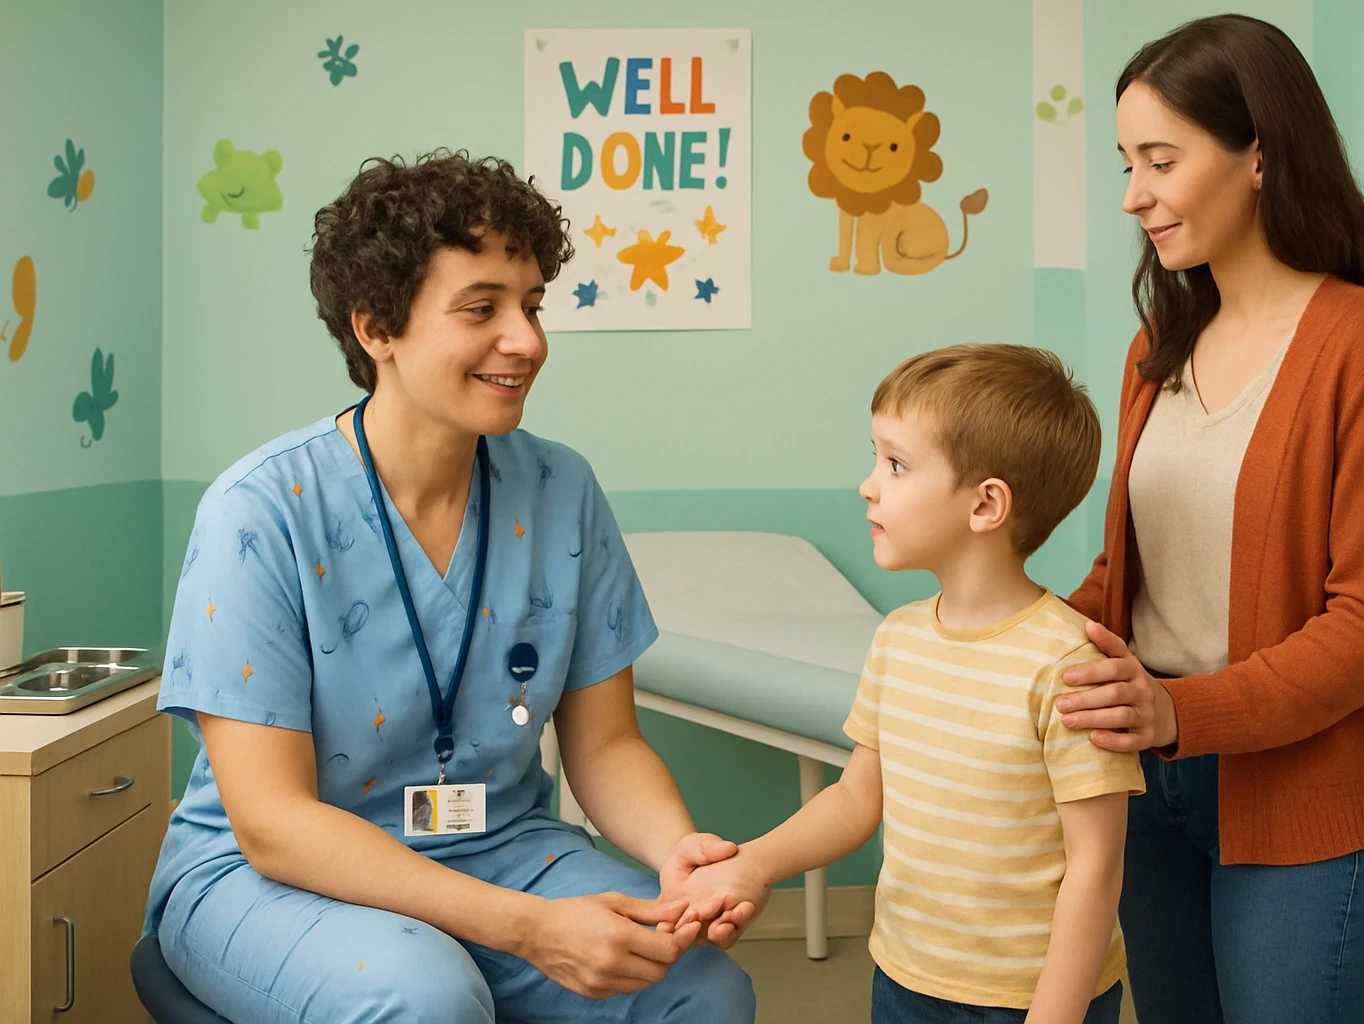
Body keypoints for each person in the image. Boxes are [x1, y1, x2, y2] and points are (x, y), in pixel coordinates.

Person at [142, 151, 757, 1023]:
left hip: (499, 847)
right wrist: (531, 928)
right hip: (272, 876)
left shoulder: (560, 490)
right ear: (376, 328)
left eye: (533, 306)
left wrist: (678, 849)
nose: (529, 340)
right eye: (483, 309)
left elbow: (607, 745)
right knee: (422, 997)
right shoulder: (262, 510)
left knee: (699, 989)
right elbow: (272, 821)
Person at [1053, 15, 1364, 1024]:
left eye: (1162, 160)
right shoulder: (1161, 342)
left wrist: (1187, 711)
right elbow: (1126, 572)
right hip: (1149, 779)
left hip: (1305, 792)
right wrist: (1018, 633)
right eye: (1126, 162)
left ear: (1259, 154)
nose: (1134, 194)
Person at [671, 345, 1146, 1023]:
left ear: (986, 505)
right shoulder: (899, 638)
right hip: (906, 978)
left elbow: (1095, 868)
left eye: (895, 465)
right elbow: (857, 799)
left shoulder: (1068, 666)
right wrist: (752, 864)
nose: (868, 484)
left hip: (1030, 1000)